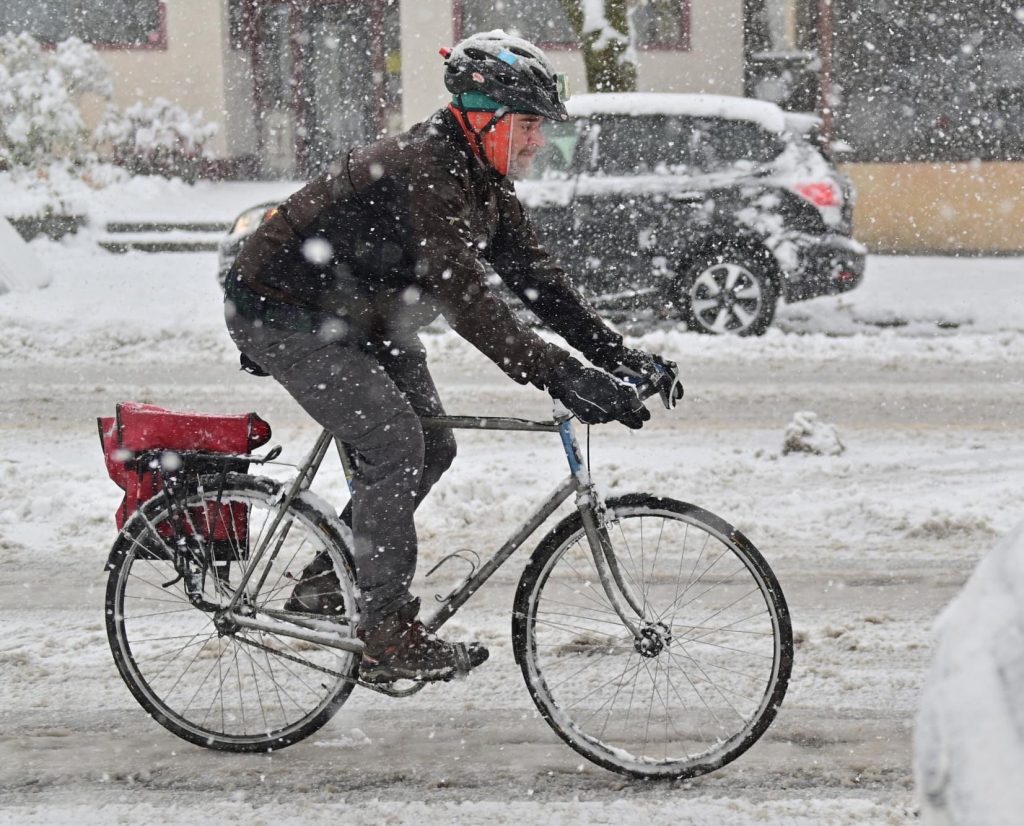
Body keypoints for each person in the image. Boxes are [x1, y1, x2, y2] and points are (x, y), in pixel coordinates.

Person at [223, 30, 680, 683]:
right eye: (526, 125)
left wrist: (616, 355)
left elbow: (536, 282)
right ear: (480, 116)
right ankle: (384, 634)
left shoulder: (481, 178)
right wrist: (562, 372)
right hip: (282, 309)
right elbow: (469, 304)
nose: (537, 142)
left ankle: (329, 588)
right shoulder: (425, 171)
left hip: (360, 312)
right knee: (393, 443)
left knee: (432, 446)